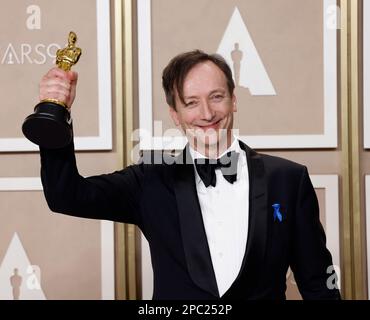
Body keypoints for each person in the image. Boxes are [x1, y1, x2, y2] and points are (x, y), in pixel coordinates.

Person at [38, 50, 340, 300]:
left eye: (217, 97)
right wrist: (54, 114)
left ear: (234, 99)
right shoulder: (150, 179)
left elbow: (317, 284)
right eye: (191, 102)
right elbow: (66, 196)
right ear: (175, 114)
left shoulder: (288, 179)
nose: (207, 113)